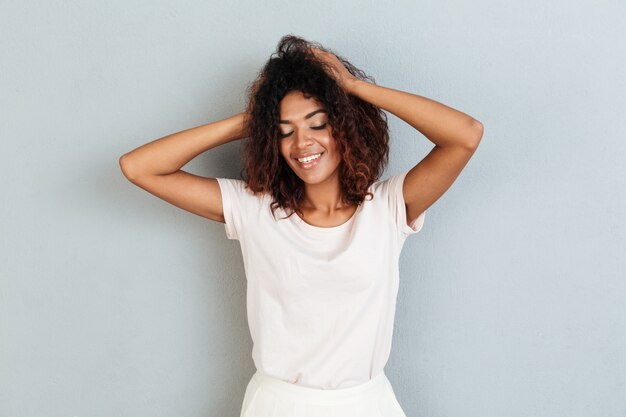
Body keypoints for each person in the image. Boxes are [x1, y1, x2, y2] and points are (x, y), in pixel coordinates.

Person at [119, 34, 483, 417]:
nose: (302, 142)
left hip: (364, 403)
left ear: (345, 127)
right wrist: (254, 120)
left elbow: (465, 135)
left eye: (318, 124)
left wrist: (353, 88)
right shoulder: (254, 209)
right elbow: (138, 167)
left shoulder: (388, 208)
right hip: (277, 405)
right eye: (285, 131)